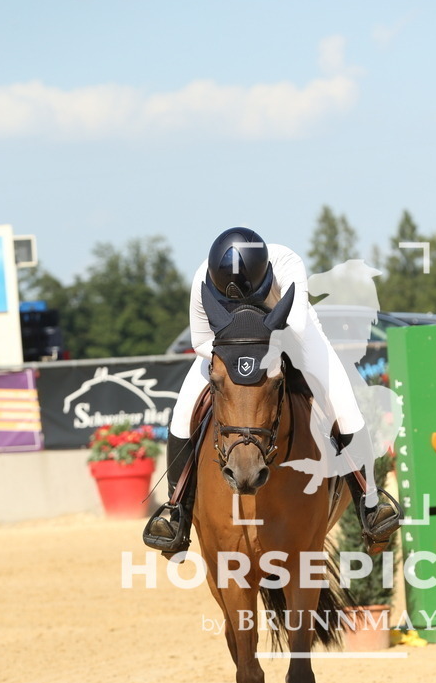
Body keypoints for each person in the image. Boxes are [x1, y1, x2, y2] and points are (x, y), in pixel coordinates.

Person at [143, 227, 402, 555]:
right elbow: (200, 341)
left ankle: (369, 504)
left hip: (290, 338)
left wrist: (261, 355)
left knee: (342, 402)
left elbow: (293, 330)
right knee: (183, 413)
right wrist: (236, 359)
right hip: (227, 347)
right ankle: (176, 512)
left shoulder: (288, 264)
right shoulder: (201, 279)